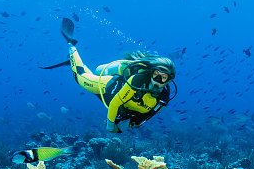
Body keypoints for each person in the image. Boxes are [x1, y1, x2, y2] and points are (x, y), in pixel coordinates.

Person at [46, 18, 176, 133]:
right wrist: (110, 125)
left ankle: (77, 61)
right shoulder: (137, 80)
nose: (158, 80)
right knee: (80, 77)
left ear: (169, 80)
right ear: (151, 73)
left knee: (90, 74)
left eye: (163, 77)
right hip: (107, 87)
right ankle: (71, 47)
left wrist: (133, 122)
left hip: (121, 104)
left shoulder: (164, 97)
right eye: (155, 75)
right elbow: (115, 104)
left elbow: (150, 113)